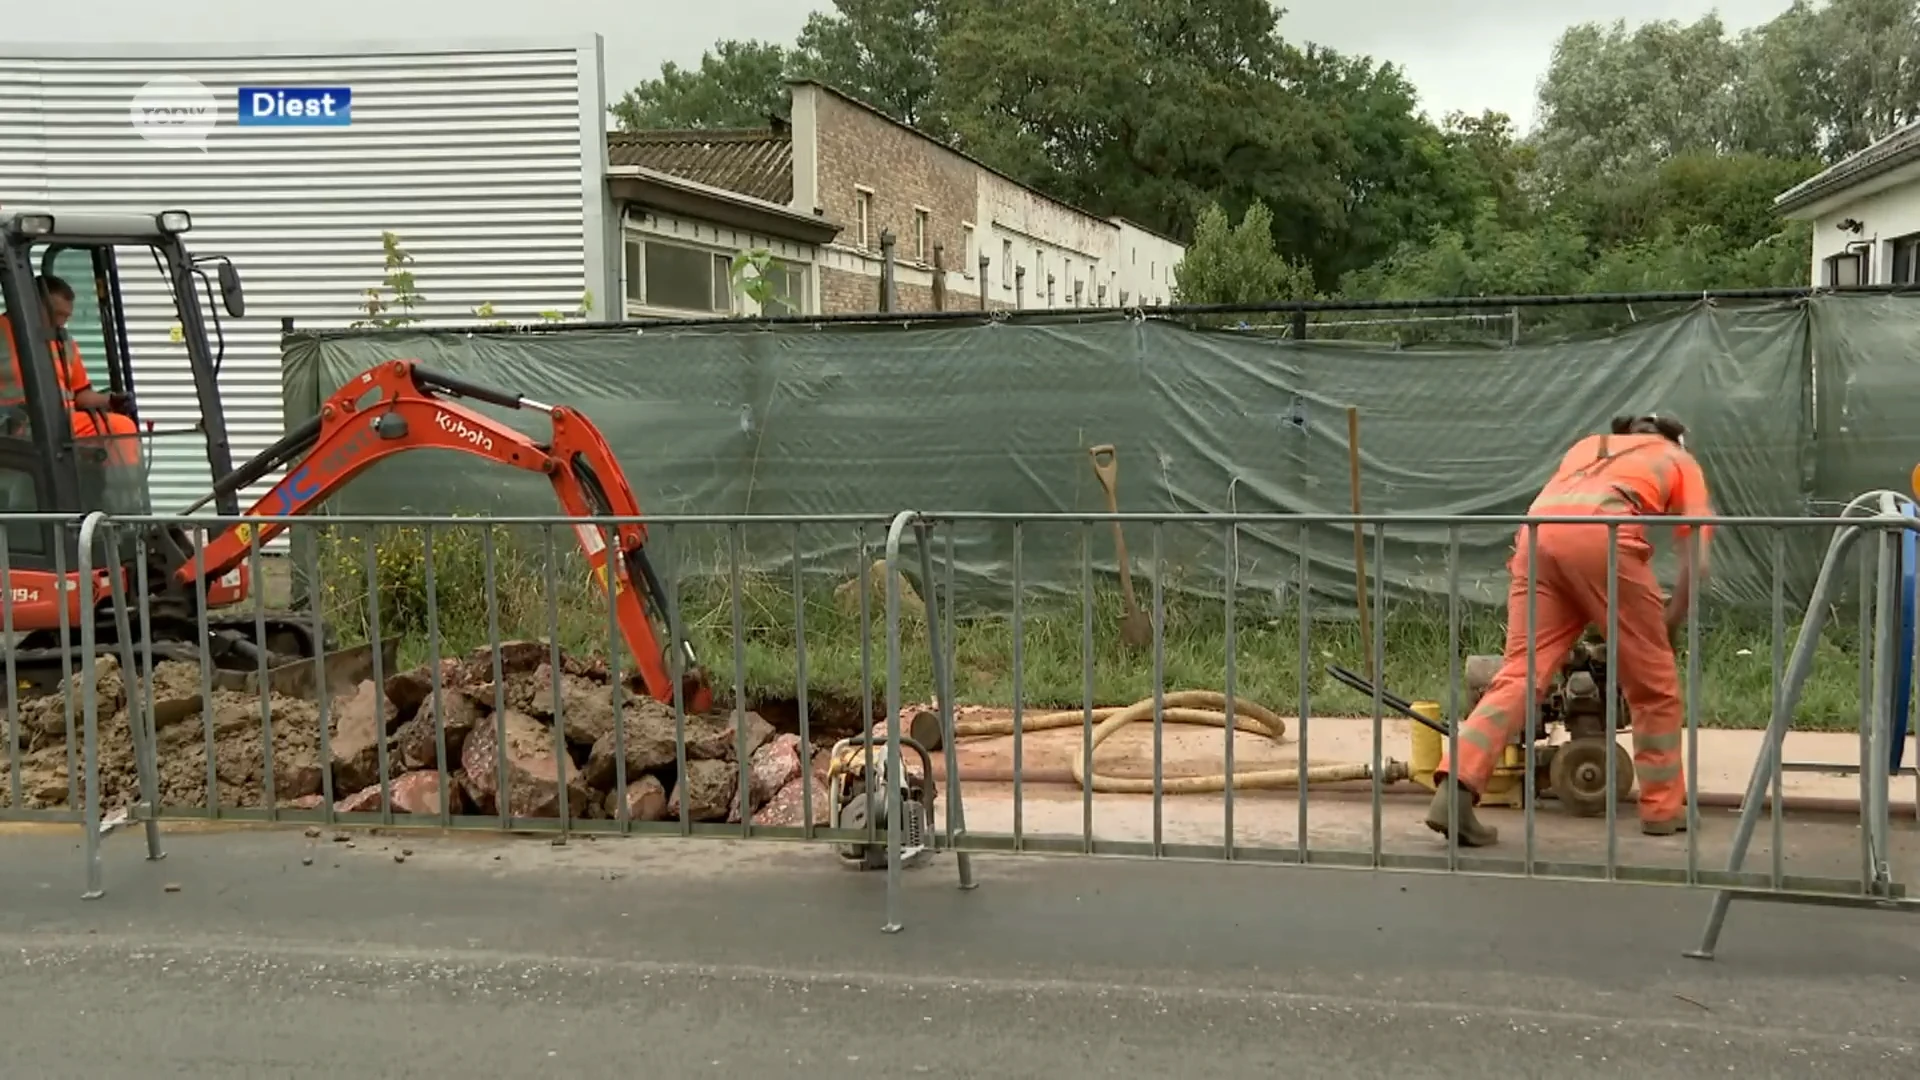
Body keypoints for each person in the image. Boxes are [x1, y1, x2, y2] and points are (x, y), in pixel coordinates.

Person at [1427, 414, 1713, 846]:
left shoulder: (1588, 447)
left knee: (1519, 675)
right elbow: (1697, 548)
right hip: (1604, 540)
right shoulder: (1677, 458)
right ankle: (1663, 809)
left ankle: (1456, 789)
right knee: (1653, 685)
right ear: (1676, 438)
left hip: (1537, 538)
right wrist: (1669, 620)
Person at [0, 274, 141, 464]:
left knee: (116, 427)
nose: (61, 323)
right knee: (119, 428)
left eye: (65, 317)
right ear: (31, 303)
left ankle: (110, 491)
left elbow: (80, 394)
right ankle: (124, 490)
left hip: (61, 424)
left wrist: (112, 400)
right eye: (56, 314)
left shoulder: (63, 342)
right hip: (15, 429)